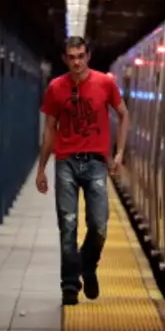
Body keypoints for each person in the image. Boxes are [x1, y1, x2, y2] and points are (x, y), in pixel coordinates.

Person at [36, 36, 130, 306]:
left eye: (80, 56)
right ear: (65, 59)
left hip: (96, 163)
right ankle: (69, 286)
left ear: (88, 56)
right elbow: (49, 128)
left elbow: (124, 115)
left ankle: (87, 266)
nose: (76, 61)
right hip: (65, 161)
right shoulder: (56, 88)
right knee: (67, 226)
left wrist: (119, 153)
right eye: (71, 57)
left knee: (99, 225)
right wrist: (42, 168)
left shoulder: (105, 83)